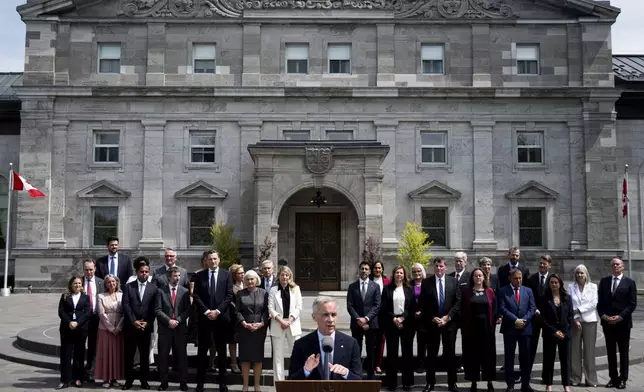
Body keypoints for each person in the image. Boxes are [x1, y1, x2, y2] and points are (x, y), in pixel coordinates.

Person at [288, 296, 362, 380]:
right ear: (314, 317)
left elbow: (359, 379)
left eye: (333, 315)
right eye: (326, 315)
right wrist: (306, 370)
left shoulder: (350, 343)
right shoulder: (301, 344)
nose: (330, 320)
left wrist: (346, 373)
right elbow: (291, 381)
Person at [192, 249, 234, 392]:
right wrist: (207, 311)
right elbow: (196, 295)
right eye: (210, 259)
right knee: (202, 352)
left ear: (219, 260)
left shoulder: (226, 275)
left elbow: (229, 296)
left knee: (222, 351)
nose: (213, 261)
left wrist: (217, 311)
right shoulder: (199, 275)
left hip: (221, 319)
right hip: (205, 319)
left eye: (215, 259)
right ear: (206, 261)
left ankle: (222, 382)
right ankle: (200, 383)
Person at [420, 257, 461, 392]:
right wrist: (432, 318)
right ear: (434, 267)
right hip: (432, 325)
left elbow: (457, 303)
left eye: (441, 266)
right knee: (431, 355)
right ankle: (430, 383)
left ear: (446, 267)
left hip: (449, 325)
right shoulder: (426, 283)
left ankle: (452, 383)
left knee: (450, 355)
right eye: (437, 266)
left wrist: (447, 317)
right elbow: (423, 303)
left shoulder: (453, 282)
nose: (439, 268)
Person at [597, 257, 637, 389]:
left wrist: (620, 317)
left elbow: (632, 304)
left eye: (618, 264)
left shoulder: (630, 283)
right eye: (613, 264)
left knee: (623, 351)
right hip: (608, 323)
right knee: (610, 352)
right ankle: (613, 378)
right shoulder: (604, 282)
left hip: (623, 323)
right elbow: (600, 302)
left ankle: (623, 378)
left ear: (623, 266)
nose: (615, 266)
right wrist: (603, 316)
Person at [121, 257, 158, 390]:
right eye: (142, 272)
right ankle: (128, 381)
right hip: (131, 327)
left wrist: (147, 322)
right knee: (129, 356)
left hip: (146, 327)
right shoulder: (128, 287)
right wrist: (134, 321)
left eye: (146, 272)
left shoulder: (153, 288)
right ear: (137, 272)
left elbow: (154, 308)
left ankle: (144, 381)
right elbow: (125, 305)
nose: (144, 274)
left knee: (144, 356)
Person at [498, 268, 536, 392]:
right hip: (510, 328)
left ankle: (525, 383)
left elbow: (532, 308)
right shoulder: (503, 290)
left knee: (525, 357)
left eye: (520, 278)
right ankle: (510, 384)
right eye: (516, 278)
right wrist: (515, 320)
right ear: (510, 278)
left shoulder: (528, 290)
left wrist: (523, 321)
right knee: (509, 357)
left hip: (525, 329)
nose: (518, 280)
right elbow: (502, 308)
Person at [460, 268, 496, 392]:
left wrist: (498, 318)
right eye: (476, 276)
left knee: (488, 355)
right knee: (473, 355)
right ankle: (473, 381)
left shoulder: (490, 291)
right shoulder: (467, 292)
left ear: (484, 277)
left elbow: (494, 309)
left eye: (480, 276)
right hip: (472, 327)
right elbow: (463, 309)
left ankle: (489, 382)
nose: (478, 278)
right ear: (472, 278)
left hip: (487, 327)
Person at [155, 266, 191, 391]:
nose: (178, 278)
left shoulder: (185, 291)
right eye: (175, 276)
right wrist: (168, 321)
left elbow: (188, 310)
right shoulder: (160, 291)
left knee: (182, 356)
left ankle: (183, 382)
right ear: (169, 277)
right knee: (163, 357)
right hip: (165, 329)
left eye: (179, 276)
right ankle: (163, 382)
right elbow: (158, 310)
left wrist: (178, 320)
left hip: (180, 329)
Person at [235, 270, 269, 392]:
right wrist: (244, 323)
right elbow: (237, 311)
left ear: (256, 280)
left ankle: (257, 386)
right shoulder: (240, 293)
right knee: (245, 358)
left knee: (257, 358)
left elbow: (266, 310)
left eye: (252, 279)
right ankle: (245, 386)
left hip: (259, 329)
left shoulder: (264, 293)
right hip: (244, 329)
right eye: (247, 279)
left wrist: (261, 324)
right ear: (244, 281)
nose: (250, 281)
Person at [381, 265, 413, 391]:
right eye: (397, 273)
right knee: (392, 354)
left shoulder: (409, 289)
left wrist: (402, 318)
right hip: (391, 323)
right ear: (393, 274)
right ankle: (391, 383)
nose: (399, 275)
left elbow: (411, 307)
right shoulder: (387, 289)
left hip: (406, 323)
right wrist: (394, 318)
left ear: (404, 275)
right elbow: (384, 307)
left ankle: (407, 382)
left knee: (407, 354)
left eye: (401, 273)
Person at [347, 261, 381, 380]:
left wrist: (366, 319)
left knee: (371, 351)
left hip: (371, 325)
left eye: (366, 269)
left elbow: (377, 305)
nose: (364, 271)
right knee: (356, 350)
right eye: (362, 269)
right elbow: (350, 306)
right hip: (356, 324)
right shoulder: (352, 287)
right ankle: (357, 376)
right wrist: (358, 319)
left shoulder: (375, 287)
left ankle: (371, 378)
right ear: (359, 270)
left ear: (370, 271)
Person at [56, 275, 92, 390]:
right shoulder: (65, 296)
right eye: (75, 283)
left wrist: (78, 323)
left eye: (79, 283)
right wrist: (69, 322)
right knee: (66, 355)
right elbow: (61, 311)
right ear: (71, 284)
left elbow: (87, 313)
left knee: (79, 355)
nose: (78, 285)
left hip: (80, 329)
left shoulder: (85, 297)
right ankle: (65, 380)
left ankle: (78, 378)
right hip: (67, 329)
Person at [539, 274, 573, 392]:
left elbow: (570, 316)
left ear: (560, 284)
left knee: (566, 360)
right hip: (550, 333)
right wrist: (554, 331)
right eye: (551, 282)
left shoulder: (567, 298)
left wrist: (564, 331)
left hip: (565, 334)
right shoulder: (544, 298)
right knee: (549, 359)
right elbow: (542, 318)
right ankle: (549, 384)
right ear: (549, 284)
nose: (554, 284)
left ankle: (566, 385)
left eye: (556, 282)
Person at [268, 266, 303, 381]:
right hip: (278, 325)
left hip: (293, 325)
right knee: (278, 357)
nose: (284, 277)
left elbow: (299, 307)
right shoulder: (273, 290)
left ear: (290, 277)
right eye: (282, 275)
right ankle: (279, 383)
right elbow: (270, 307)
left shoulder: (295, 289)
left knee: (296, 355)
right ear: (279, 276)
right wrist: (281, 320)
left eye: (287, 275)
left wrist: (290, 320)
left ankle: (295, 381)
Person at [567, 264, 598, 387]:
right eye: (578, 273)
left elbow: (593, 303)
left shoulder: (593, 287)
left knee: (589, 351)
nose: (580, 275)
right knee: (575, 351)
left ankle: (591, 379)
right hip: (575, 322)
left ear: (586, 274)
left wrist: (579, 310)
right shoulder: (570, 287)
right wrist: (575, 318)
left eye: (582, 273)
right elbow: (569, 304)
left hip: (590, 321)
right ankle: (575, 378)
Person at [525, 254, 552, 382]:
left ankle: (546, 376)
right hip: (534, 318)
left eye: (544, 263)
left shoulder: (553, 279)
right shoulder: (532, 279)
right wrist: (534, 309)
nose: (542, 265)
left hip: (548, 319)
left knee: (548, 348)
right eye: (540, 263)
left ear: (549, 265)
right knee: (531, 347)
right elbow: (528, 297)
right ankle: (526, 374)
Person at [94, 274, 125, 388]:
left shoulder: (122, 295)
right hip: (105, 329)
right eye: (109, 282)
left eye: (113, 281)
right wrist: (111, 328)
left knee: (116, 354)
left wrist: (119, 327)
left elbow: (125, 313)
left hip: (119, 330)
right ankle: (106, 378)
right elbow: (101, 314)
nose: (111, 284)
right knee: (106, 354)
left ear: (116, 283)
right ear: (105, 284)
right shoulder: (101, 296)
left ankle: (115, 378)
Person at [80, 258, 104, 384]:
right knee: (80, 345)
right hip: (81, 319)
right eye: (86, 270)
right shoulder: (79, 282)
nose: (89, 272)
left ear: (95, 269)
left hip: (95, 318)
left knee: (93, 346)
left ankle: (90, 370)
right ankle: (78, 372)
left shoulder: (101, 282)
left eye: (91, 269)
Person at [448, 251, 470, 373]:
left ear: (465, 262)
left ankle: (464, 363)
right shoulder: (449, 276)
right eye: (456, 261)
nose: (458, 263)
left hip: (465, 315)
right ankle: (450, 363)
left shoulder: (470, 276)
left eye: (460, 260)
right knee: (451, 341)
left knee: (466, 341)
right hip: (453, 315)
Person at [371, 260, 391, 375]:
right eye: (375, 268)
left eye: (379, 268)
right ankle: (371, 363)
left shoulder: (387, 282)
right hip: (372, 316)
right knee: (371, 341)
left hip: (384, 316)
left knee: (381, 341)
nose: (377, 270)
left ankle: (378, 364)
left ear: (382, 269)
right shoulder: (369, 281)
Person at [228, 263, 246, 373]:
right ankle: (233, 363)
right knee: (233, 341)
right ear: (234, 275)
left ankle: (243, 362)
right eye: (239, 273)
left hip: (246, 316)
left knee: (244, 341)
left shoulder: (246, 283)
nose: (242, 275)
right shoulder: (230, 286)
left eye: (243, 272)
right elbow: (228, 300)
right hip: (233, 316)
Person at [410, 263, 427, 373]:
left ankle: (421, 363)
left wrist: (422, 311)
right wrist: (413, 312)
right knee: (408, 341)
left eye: (419, 271)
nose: (417, 273)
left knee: (422, 342)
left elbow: (430, 300)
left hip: (424, 318)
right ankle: (409, 364)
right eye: (414, 272)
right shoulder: (408, 284)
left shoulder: (427, 284)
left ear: (422, 272)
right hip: (411, 317)